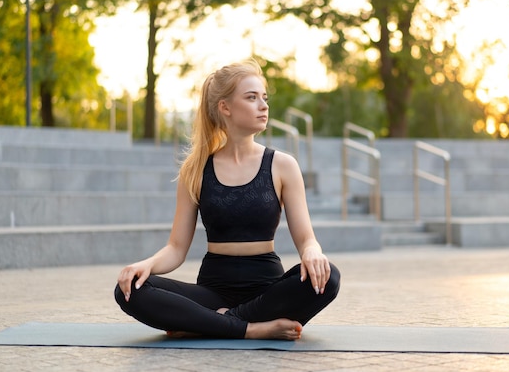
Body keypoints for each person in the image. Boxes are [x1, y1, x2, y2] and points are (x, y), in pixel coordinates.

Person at [114, 59, 340, 340]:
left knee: (329, 277)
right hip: (212, 290)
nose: (263, 105)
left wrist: (312, 252)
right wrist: (145, 265)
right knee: (129, 289)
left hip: (267, 292)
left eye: (264, 98)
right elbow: (176, 248)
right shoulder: (195, 169)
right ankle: (250, 328)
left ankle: (210, 324)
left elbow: (306, 238)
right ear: (225, 107)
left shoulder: (283, 165)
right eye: (251, 97)